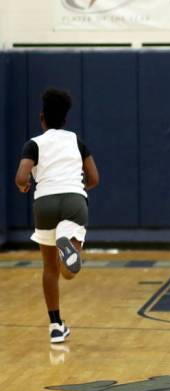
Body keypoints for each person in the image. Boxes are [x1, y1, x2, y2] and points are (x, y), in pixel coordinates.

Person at [14, 88, 100, 344]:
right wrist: (76, 188)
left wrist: (23, 185)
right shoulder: (76, 141)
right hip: (74, 200)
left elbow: (21, 176)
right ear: (65, 119)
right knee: (68, 273)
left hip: (44, 204)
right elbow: (94, 179)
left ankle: (55, 326)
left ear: (42, 118)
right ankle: (69, 242)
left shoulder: (34, 144)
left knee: (50, 268)